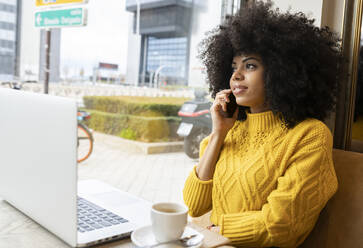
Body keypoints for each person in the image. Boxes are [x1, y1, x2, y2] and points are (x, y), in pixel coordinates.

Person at [182, 1, 345, 247]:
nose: (236, 75)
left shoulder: (309, 135)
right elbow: (195, 205)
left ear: (281, 72)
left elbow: (281, 224)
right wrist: (217, 134)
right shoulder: (229, 128)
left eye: (250, 65)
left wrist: (214, 229)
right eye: (234, 67)